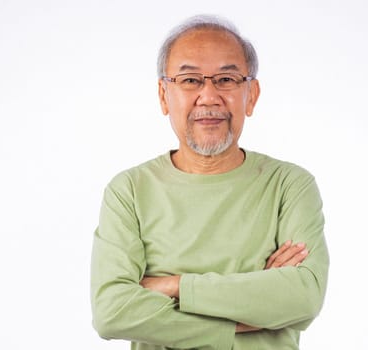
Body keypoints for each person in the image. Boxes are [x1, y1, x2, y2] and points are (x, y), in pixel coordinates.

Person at [90, 14, 329, 350]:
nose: (209, 96)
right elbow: (112, 312)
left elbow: (303, 297)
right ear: (163, 95)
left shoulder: (289, 186)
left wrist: (173, 286)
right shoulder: (129, 190)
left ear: (251, 95)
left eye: (227, 79)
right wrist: (253, 306)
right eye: (189, 81)